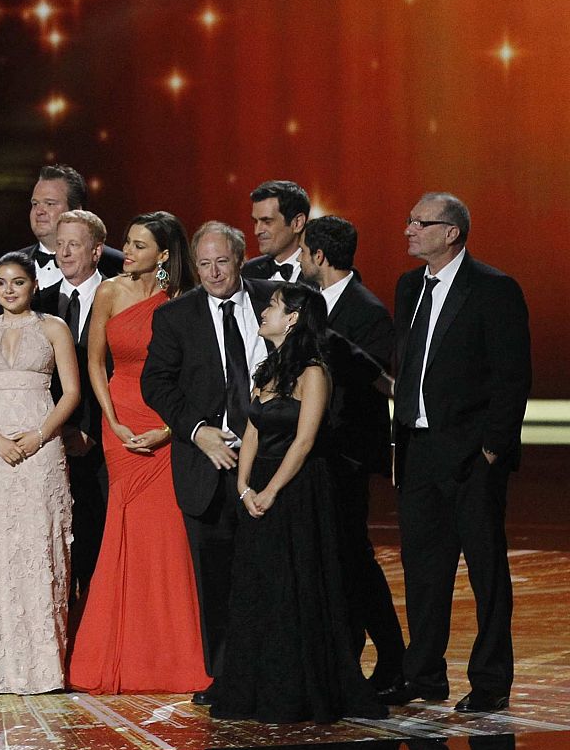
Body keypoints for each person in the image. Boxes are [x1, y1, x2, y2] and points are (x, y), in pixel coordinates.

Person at [211, 282, 388, 723]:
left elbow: (306, 440)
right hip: (258, 489)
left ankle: (299, 687)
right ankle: (254, 685)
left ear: (292, 317)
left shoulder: (314, 371)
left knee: (298, 584)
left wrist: (272, 491)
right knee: (260, 587)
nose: (263, 311)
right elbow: (252, 430)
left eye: (271, 305)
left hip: (300, 489)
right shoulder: (266, 371)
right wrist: (244, 486)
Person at [386, 192, 530, 714]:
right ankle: (424, 674)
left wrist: (492, 448)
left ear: (451, 232)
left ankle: (490, 681)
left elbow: (513, 377)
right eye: (409, 219)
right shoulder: (408, 288)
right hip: (418, 451)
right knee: (424, 570)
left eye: (420, 222)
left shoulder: (494, 289)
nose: (408, 229)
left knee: (486, 570)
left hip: (472, 455)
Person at [68, 213, 210, 694]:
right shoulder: (109, 292)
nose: (126, 252)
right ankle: (118, 652)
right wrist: (110, 420)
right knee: (121, 530)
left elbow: (197, 377)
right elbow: (94, 363)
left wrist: (170, 431)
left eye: (138, 245)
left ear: (164, 254)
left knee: (166, 537)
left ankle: (171, 656)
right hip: (120, 421)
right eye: (127, 243)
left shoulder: (184, 302)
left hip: (167, 423)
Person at [141, 221, 277, 692]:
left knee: (269, 570)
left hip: (267, 461)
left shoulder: (274, 300)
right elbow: (156, 383)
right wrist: (198, 433)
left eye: (222, 261)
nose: (214, 272)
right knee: (216, 576)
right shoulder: (176, 316)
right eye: (204, 264)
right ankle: (225, 676)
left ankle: (274, 669)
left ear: (240, 259)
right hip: (207, 463)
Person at [0, 250, 80, 694]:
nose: (9, 290)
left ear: (33, 285)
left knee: (41, 546)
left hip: (42, 448)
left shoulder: (53, 328)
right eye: (1, 283)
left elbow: (71, 393)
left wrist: (39, 436)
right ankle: (0, 668)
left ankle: (46, 668)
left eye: (17, 282)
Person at [297, 216, 406, 692]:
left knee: (353, 557)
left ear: (319, 256)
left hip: (346, 456)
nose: (300, 262)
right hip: (315, 453)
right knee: (334, 558)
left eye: (303, 254)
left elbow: (373, 380)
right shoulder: (310, 304)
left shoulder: (367, 311)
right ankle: (343, 659)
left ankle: (391, 656)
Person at [33, 209, 110, 606]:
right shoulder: (39, 303)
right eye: (59, 244)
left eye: (73, 245)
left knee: (97, 545)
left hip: (103, 445)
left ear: (97, 251)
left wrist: (91, 431)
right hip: (52, 442)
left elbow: (118, 373)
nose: (63, 253)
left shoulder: (117, 298)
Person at [0, 164, 123, 316]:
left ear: (76, 210)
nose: (39, 211)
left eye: (50, 203)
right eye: (35, 204)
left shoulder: (116, 265)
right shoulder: (9, 266)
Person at [242, 180, 309, 283]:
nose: (257, 231)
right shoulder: (250, 271)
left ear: (297, 223)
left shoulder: (322, 273)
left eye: (267, 222)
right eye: (256, 221)